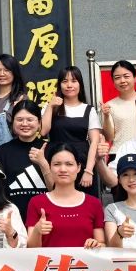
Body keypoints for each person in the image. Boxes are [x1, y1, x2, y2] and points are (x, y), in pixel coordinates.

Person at [41, 67, 103, 195]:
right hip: (56, 162)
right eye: (65, 81)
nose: (69, 85)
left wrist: (89, 170)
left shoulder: (89, 110)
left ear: (80, 84)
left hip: (82, 163)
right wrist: (50, 106)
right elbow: (43, 131)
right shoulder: (51, 107)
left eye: (74, 81)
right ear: (59, 85)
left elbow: (94, 142)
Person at [0, 100, 50, 217]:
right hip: (12, 217)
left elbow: (58, 188)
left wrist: (43, 163)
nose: (24, 124)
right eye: (19, 120)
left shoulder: (51, 149)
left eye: (30, 119)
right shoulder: (2, 152)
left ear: (39, 122)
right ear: (13, 122)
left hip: (46, 217)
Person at [100, 59, 136, 156]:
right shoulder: (109, 105)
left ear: (135, 77)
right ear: (113, 81)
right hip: (119, 153)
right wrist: (106, 116)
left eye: (126, 76)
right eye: (117, 78)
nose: (122, 81)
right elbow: (109, 137)